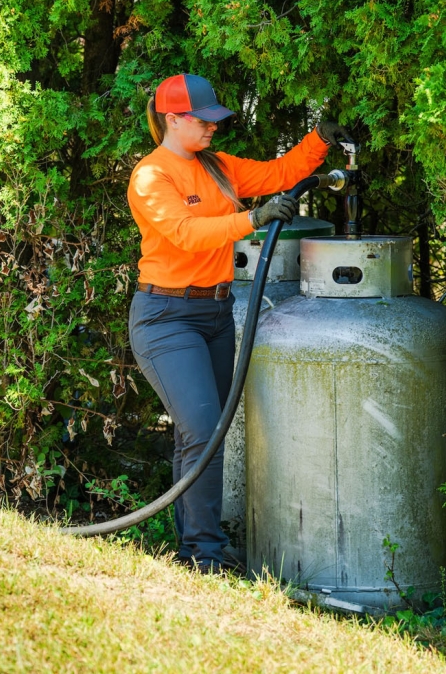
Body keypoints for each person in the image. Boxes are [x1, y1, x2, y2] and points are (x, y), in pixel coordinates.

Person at [126, 73, 353, 572]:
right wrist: (253, 220)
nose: (212, 128)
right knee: (204, 429)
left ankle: (194, 547)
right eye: (202, 120)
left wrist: (319, 140)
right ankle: (205, 553)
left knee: (203, 432)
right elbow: (185, 233)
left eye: (214, 119)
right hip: (165, 317)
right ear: (172, 119)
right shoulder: (151, 176)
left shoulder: (218, 167)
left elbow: (277, 174)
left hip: (214, 314)